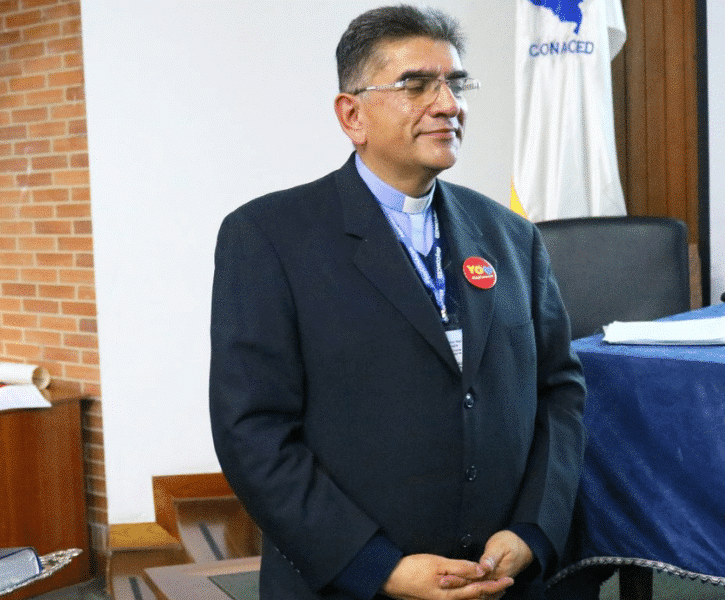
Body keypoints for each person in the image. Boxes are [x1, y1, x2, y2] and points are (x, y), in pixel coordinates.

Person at [209, 6, 586, 600]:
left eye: (455, 83)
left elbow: (559, 392)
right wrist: (377, 567)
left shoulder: (512, 237)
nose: (448, 104)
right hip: (349, 585)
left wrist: (533, 530)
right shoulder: (268, 237)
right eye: (416, 85)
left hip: (500, 579)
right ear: (352, 115)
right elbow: (252, 431)